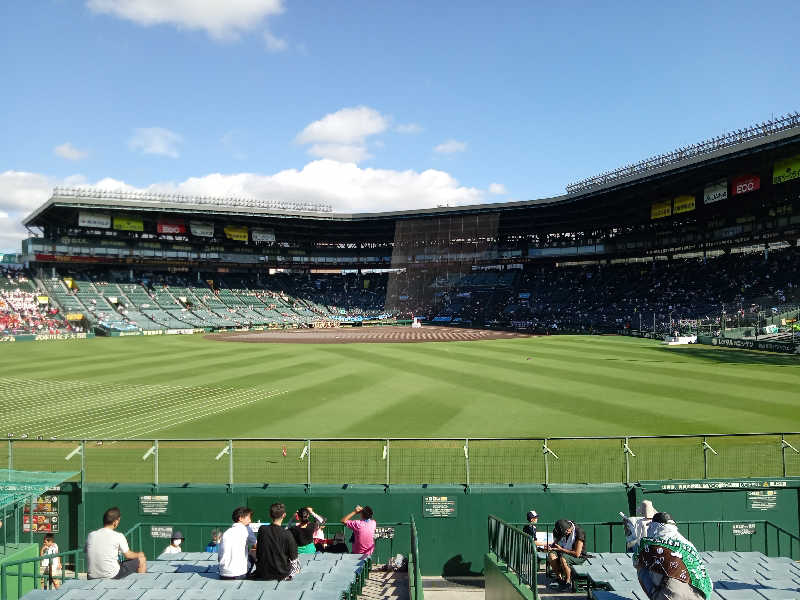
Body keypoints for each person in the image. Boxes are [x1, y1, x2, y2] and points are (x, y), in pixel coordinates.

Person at [633, 512, 712, 600]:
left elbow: (636, 561)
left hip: (671, 596)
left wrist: (635, 538)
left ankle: (657, 596)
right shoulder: (688, 545)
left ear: (653, 526)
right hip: (700, 597)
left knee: (641, 567)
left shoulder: (649, 543)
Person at [85, 507, 147, 579]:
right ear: (116, 522)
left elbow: (87, 551)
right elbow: (128, 555)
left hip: (91, 576)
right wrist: (139, 554)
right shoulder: (118, 536)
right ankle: (140, 585)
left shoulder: (91, 535)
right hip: (111, 575)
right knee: (141, 559)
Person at [253, 502, 300, 581]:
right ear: (284, 515)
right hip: (282, 574)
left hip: (263, 572)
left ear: (270, 515)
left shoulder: (262, 529)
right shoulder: (288, 534)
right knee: (297, 566)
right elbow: (294, 558)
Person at [218, 506, 257, 580]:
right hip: (239, 574)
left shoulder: (226, 533)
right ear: (240, 518)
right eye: (248, 518)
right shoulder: (246, 529)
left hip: (223, 574)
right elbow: (256, 545)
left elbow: (220, 556)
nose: (250, 521)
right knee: (254, 552)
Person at [548, 519, 587, 589]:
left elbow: (577, 554)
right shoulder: (559, 531)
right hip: (563, 551)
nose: (565, 534)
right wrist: (551, 547)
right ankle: (558, 578)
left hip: (579, 556)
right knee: (551, 555)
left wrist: (561, 549)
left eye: (566, 532)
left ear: (568, 529)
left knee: (563, 558)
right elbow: (556, 543)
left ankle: (568, 581)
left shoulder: (579, 532)